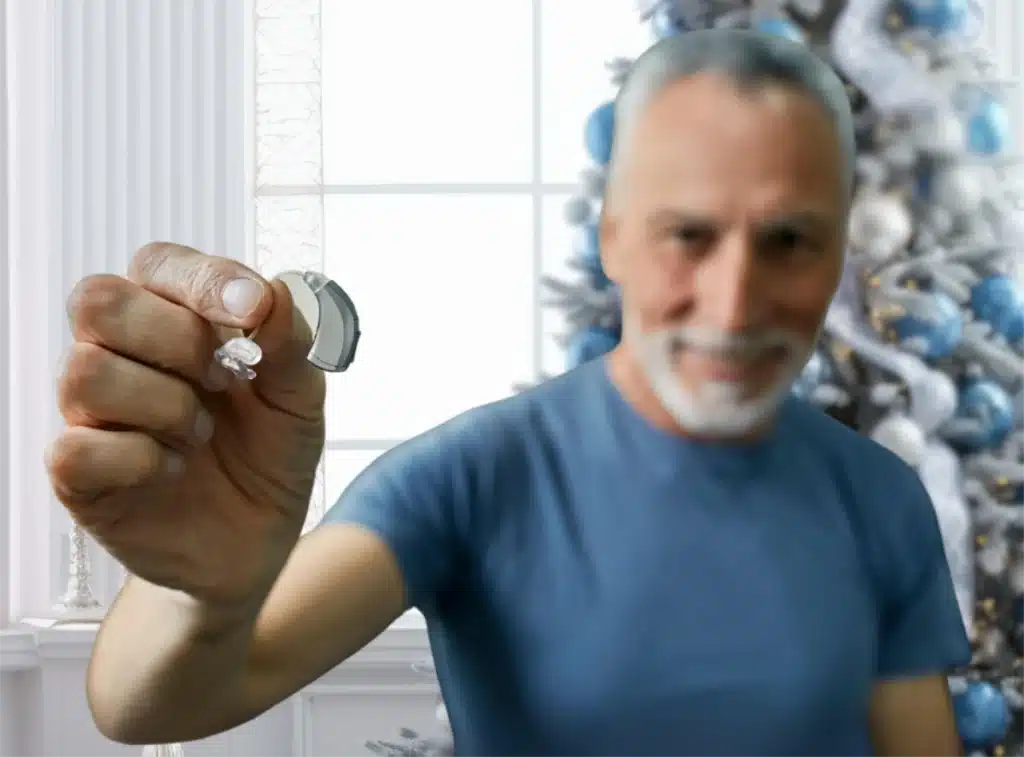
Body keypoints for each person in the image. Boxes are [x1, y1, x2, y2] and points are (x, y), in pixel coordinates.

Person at [47, 29, 970, 757]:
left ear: (839, 258)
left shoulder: (878, 497)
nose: (732, 305)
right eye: (688, 234)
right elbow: (153, 699)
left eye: (789, 242)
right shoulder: (476, 473)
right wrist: (200, 589)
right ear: (611, 237)